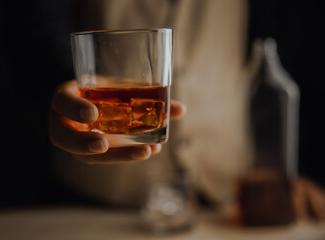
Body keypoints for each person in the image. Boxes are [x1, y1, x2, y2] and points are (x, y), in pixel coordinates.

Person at [48, 0, 325, 221]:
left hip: (230, 197)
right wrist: (57, 93)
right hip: (96, 202)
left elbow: (296, 45)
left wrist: (290, 169)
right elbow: (39, 29)